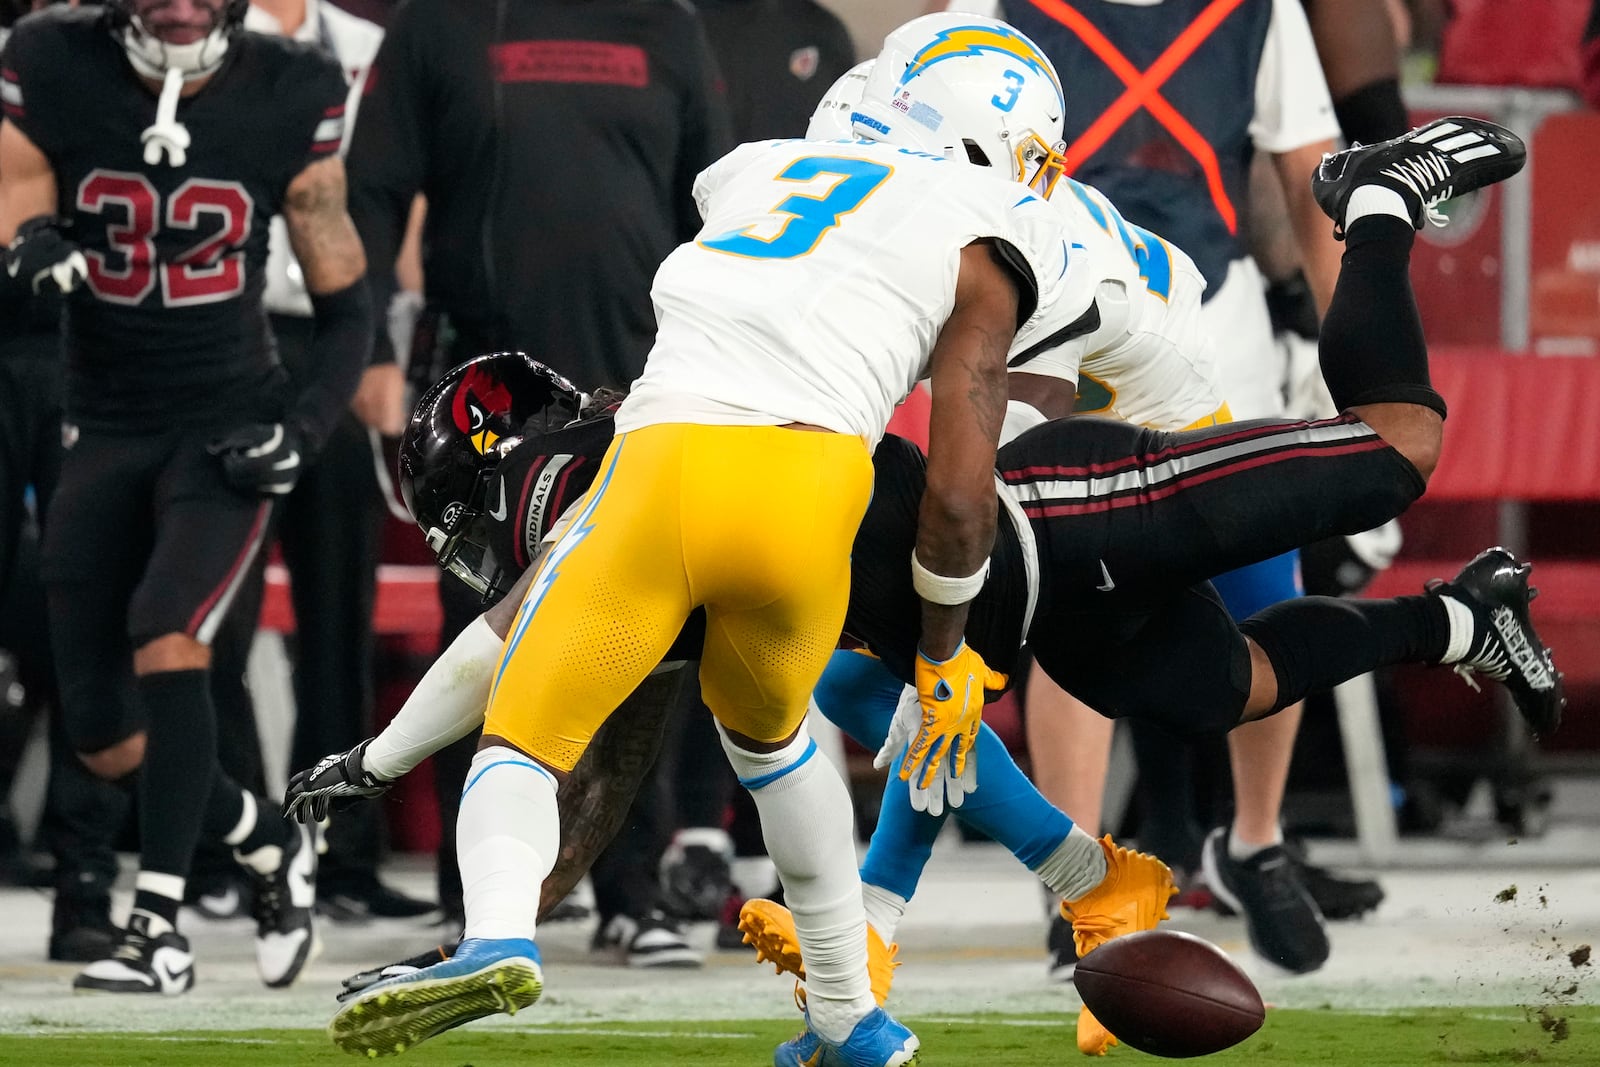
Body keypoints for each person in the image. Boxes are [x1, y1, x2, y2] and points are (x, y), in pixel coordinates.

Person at [297, 118, 1564, 1045]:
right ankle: (1465, 614)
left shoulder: (661, 444)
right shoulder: (716, 386)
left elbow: (950, 515)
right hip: (1018, 577)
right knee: (1224, 685)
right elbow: (605, 723)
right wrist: (388, 773)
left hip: (1053, 517)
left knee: (1395, 452)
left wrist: (408, 790)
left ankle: (1378, 197)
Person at [319, 12, 1082, 1063]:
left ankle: (496, 933)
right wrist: (941, 653)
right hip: (814, 489)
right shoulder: (993, 226)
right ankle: (846, 1011)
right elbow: (958, 496)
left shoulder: (756, 172)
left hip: (663, 457)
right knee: (776, 747)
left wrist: (377, 755)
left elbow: (498, 631)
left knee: (525, 741)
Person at [944, 0, 1354, 978]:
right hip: (1058, 317)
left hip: (1216, 312)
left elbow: (1314, 174)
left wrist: (1353, 345)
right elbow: (929, 170)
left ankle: (1251, 839)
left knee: (1267, 577)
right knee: (1075, 588)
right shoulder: (986, 8)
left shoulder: (1261, 11)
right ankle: (1080, 875)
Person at [344, 0, 735, 952]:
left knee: (647, 636)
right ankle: (473, 891)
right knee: (478, 632)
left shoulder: (669, 27)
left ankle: (630, 897)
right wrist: (366, 341)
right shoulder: (437, 24)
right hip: (490, 400)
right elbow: (372, 189)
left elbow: (724, 206)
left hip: (644, 383)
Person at [0, 0, 370, 993]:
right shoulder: (52, 57)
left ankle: (153, 926)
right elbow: (14, 186)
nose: (177, 3)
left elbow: (347, 308)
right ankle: (262, 837)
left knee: (170, 628)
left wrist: (299, 430)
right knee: (102, 731)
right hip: (102, 419)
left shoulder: (291, 86)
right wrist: (28, 238)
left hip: (221, 424)